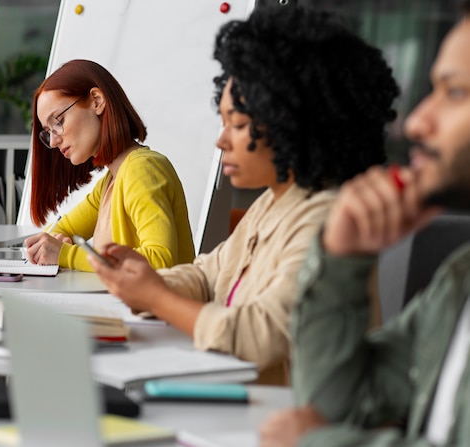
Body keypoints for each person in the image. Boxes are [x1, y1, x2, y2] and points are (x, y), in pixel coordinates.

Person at [88, 6, 399, 384]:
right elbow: (207, 275)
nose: (221, 140)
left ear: (294, 123)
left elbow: (259, 334)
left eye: (237, 124)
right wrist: (147, 282)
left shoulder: (329, 219)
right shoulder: (270, 203)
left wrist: (155, 298)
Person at [259, 1, 470, 445]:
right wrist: (341, 261)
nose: (416, 122)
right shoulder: (460, 279)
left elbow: (321, 424)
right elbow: (338, 403)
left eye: (454, 93)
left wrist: (320, 442)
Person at [23, 59, 195, 272]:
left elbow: (160, 259)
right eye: (48, 131)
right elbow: (61, 230)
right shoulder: (111, 181)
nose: (52, 141)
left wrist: (66, 254)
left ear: (96, 101)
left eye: (57, 121)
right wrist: (52, 244)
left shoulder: (141, 170)